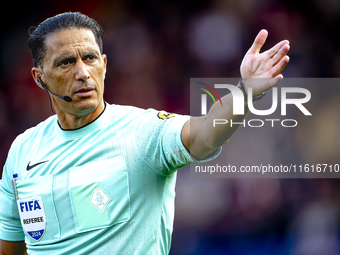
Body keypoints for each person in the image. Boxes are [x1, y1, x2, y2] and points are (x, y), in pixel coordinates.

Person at [0, 12, 289, 255]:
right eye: (66, 62)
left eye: (89, 58)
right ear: (40, 78)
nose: (83, 72)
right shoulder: (23, 150)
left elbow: (204, 134)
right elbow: (11, 245)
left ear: (103, 65)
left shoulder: (141, 131)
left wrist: (245, 92)